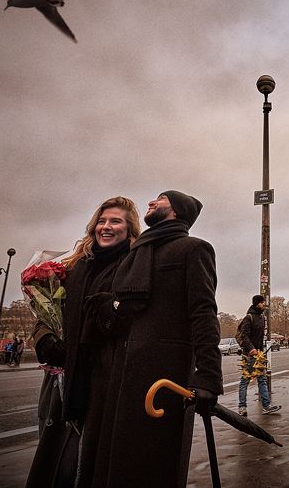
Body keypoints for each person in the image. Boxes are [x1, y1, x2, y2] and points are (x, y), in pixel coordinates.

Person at [77, 190, 223, 488]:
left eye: (161, 199)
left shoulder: (194, 249)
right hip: (123, 372)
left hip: (163, 375)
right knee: (117, 465)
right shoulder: (136, 254)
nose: (152, 202)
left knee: (153, 464)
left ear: (177, 211)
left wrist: (208, 376)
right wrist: (108, 305)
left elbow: (203, 312)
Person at [27, 195, 142, 488]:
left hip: (103, 378)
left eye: (115, 221)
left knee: (85, 463)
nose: (106, 227)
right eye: (101, 221)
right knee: (56, 460)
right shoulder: (75, 266)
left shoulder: (134, 267)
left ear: (129, 229)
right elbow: (49, 311)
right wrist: (45, 339)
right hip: (63, 375)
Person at [235, 294, 281, 415]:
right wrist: (251, 349)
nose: (263, 304)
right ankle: (242, 407)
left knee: (262, 379)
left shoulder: (262, 318)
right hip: (249, 354)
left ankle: (266, 405)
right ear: (256, 304)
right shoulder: (249, 318)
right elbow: (244, 335)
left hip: (259, 354)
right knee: (245, 380)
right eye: (261, 302)